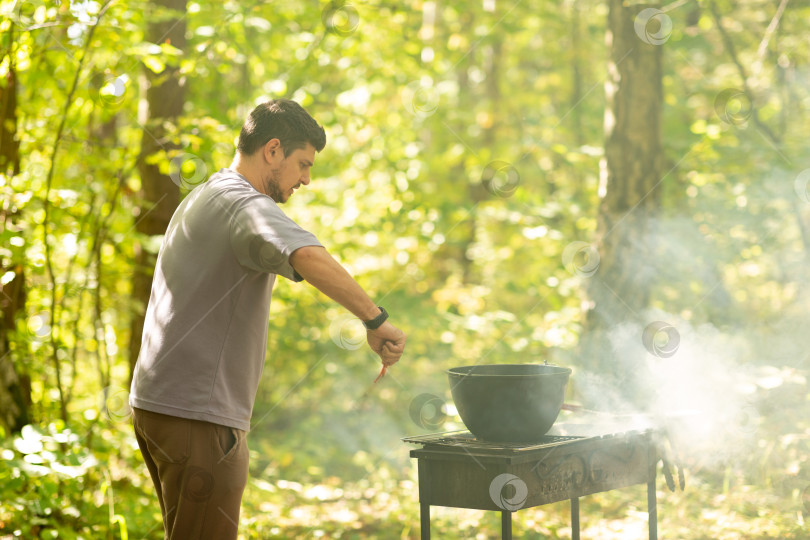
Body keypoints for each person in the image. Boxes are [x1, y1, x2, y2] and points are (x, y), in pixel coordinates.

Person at [129, 99, 406, 539]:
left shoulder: (208, 194)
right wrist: (376, 320)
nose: (306, 179)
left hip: (164, 407)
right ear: (272, 150)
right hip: (198, 416)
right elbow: (308, 255)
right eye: (302, 164)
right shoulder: (242, 204)